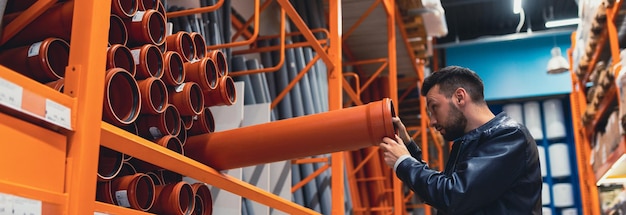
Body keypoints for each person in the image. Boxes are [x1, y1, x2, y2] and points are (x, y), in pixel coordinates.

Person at [379, 66, 542, 214]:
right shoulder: (473, 143)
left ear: (459, 97)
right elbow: (445, 189)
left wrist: (403, 162)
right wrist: (409, 148)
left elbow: (452, 195)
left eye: (434, 107)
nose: (432, 122)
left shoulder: (509, 136)